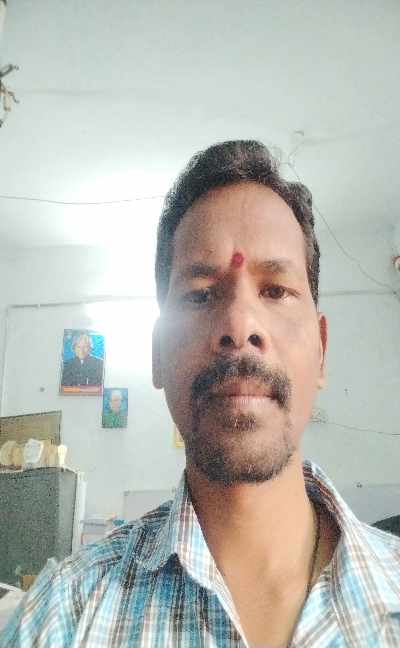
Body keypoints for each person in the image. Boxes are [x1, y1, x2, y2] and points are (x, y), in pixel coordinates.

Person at [2, 140, 400, 647]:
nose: (239, 324)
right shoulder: (63, 615)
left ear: (321, 350)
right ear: (156, 355)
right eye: (201, 294)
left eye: (275, 290)